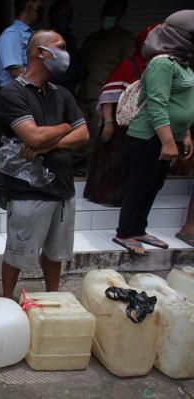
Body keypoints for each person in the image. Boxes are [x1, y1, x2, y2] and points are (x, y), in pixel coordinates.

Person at [0, 30, 89, 298]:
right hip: (28, 189)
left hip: (62, 187)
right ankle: (6, 300)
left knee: (55, 253)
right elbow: (32, 135)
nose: (66, 53)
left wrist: (49, 145)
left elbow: (83, 134)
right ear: (41, 52)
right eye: (60, 47)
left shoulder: (62, 94)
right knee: (18, 253)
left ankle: (53, 297)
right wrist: (63, 127)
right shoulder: (13, 93)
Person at [113, 11, 194, 255]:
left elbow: (180, 101)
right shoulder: (162, 63)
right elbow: (157, 104)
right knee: (140, 185)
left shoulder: (182, 64)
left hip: (169, 137)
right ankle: (125, 232)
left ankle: (139, 228)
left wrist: (185, 134)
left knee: (154, 185)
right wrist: (168, 142)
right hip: (148, 137)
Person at [84, 24, 158, 207]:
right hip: (119, 126)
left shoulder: (158, 68)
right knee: (114, 163)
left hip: (142, 126)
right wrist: (108, 122)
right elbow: (109, 95)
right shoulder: (128, 65)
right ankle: (105, 196)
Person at [74, 0, 136, 176]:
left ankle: (94, 175)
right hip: (83, 93)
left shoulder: (126, 38)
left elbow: (127, 71)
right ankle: (77, 167)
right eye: (106, 11)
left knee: (97, 136)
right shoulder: (92, 39)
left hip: (104, 97)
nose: (108, 15)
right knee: (78, 133)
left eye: (113, 12)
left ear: (120, 15)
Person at [0, 0, 43, 88]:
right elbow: (16, 71)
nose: (41, 6)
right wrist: (38, 87)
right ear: (29, 4)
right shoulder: (12, 34)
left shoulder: (33, 34)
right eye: (37, 4)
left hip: (30, 93)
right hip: (17, 95)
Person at [48, 0, 83, 95]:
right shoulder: (45, 39)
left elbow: (78, 68)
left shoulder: (70, 40)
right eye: (64, 13)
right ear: (54, 16)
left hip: (69, 91)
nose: (67, 17)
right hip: (52, 91)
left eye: (69, 14)